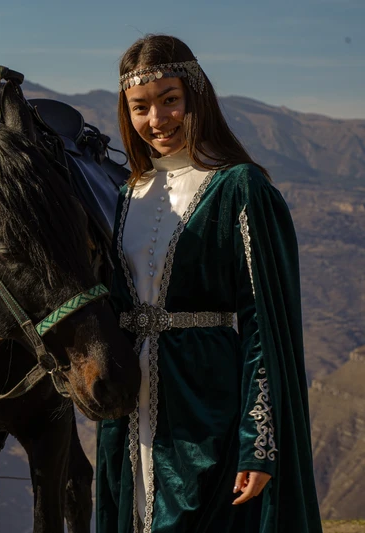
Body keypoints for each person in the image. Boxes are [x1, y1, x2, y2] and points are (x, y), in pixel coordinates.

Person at [94, 34, 323, 533]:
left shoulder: (241, 188)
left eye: (169, 100)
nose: (157, 121)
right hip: (130, 422)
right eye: (140, 108)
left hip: (209, 416)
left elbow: (264, 325)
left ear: (196, 96)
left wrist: (257, 444)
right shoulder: (125, 195)